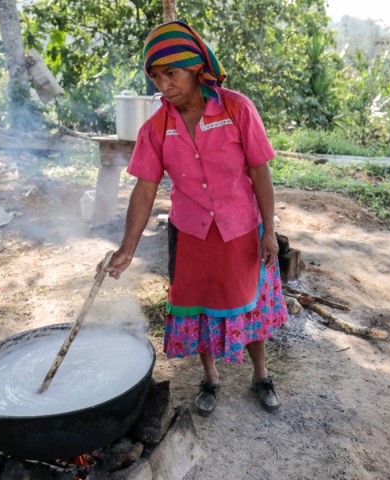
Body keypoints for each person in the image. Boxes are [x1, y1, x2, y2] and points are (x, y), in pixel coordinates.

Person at [101, 20, 288, 415]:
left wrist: (269, 231)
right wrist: (126, 249)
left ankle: (260, 374)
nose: (163, 85)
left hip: (240, 229)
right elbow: (145, 189)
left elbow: (260, 171)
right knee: (198, 307)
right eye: (156, 76)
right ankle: (210, 378)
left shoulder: (236, 108)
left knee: (248, 303)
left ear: (196, 69)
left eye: (172, 73)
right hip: (191, 234)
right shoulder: (156, 128)